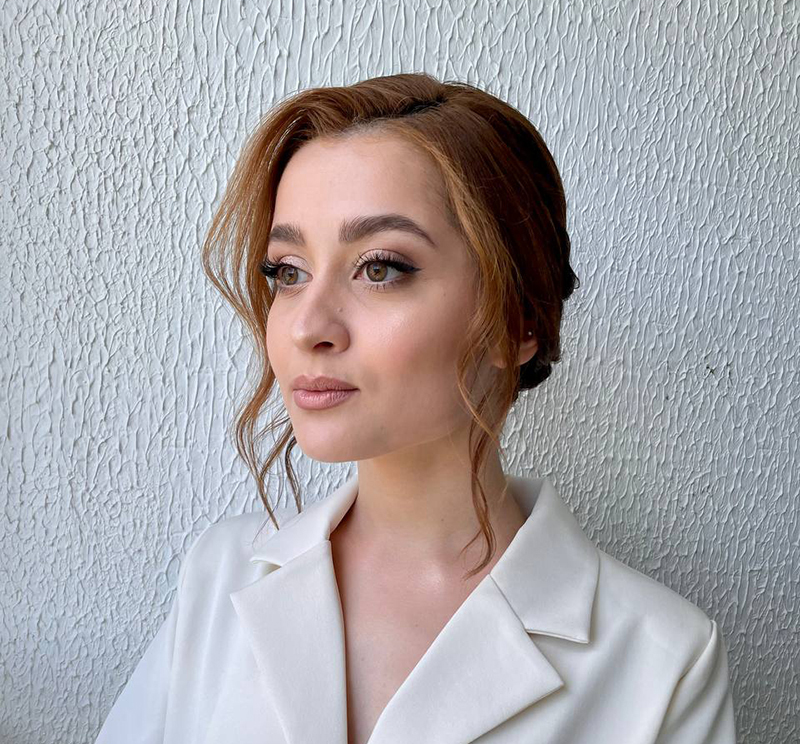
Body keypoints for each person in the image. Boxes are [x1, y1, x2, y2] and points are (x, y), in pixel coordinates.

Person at [95, 72, 736, 743]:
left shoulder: (662, 662)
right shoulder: (220, 574)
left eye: (379, 268)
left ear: (517, 320)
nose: (307, 326)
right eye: (288, 271)